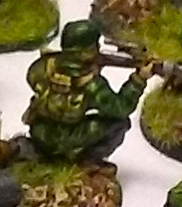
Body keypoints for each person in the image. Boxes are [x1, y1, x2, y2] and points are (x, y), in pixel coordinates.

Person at [20, 19, 153, 163]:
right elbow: (121, 108)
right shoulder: (92, 85)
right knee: (120, 123)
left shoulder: (42, 66)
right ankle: (86, 161)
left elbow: (32, 78)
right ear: (85, 53)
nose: (98, 48)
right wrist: (138, 79)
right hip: (67, 137)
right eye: (95, 46)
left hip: (39, 131)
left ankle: (46, 152)